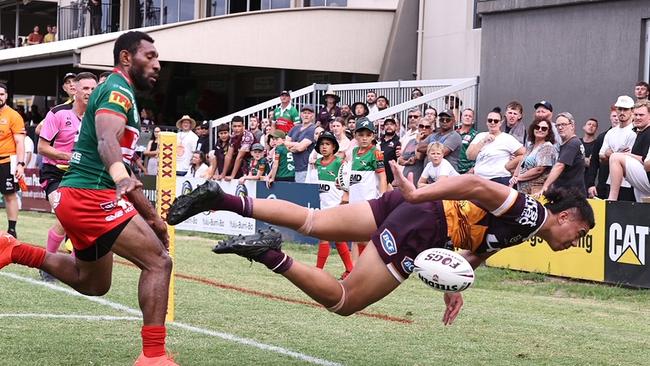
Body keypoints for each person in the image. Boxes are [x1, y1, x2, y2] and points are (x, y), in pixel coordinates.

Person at [165, 161, 594, 324]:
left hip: (413, 214)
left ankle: (218, 198)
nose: (576, 242)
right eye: (580, 233)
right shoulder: (532, 213)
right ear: (566, 216)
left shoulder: (528, 226)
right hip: (423, 221)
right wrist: (418, 194)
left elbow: (476, 251)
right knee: (346, 301)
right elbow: (475, 183)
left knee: (314, 221)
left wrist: (454, 288)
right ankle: (269, 253)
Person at [2, 32, 176, 365]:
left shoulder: (117, 91)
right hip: (90, 196)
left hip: (78, 196)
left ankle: (15, 249)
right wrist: (120, 177)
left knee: (93, 283)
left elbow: (117, 156)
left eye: (157, 58)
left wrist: (152, 217)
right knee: (159, 262)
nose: (157, 64)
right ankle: (153, 356)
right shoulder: (117, 90)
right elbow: (107, 142)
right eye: (150, 56)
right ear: (126, 58)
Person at [37, 72, 98, 281]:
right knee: (65, 214)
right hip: (54, 172)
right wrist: (68, 156)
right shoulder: (58, 113)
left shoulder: (98, 116)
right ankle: (48, 263)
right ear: (75, 90)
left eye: (93, 88)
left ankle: (73, 263)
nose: (89, 92)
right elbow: (42, 147)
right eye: (85, 89)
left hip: (82, 175)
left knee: (82, 221)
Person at [305, 131, 353, 278]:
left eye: (327, 144)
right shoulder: (317, 163)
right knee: (338, 240)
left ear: (334, 147)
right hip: (324, 206)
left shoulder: (339, 163)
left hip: (337, 207)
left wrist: (345, 198)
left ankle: (318, 271)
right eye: (321, 144)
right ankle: (350, 270)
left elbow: (348, 182)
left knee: (324, 236)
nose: (324, 147)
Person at [346, 117, 387, 259]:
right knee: (354, 237)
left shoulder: (376, 152)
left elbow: (382, 177)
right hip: (354, 201)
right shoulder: (354, 151)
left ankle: (363, 270)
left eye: (368, 135)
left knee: (365, 238)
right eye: (361, 135)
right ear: (355, 136)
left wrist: (382, 198)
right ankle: (352, 270)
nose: (364, 138)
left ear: (373, 136)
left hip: (368, 202)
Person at [467, 108, 525, 185]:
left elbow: (524, 154)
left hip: (499, 179)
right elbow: (470, 156)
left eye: (496, 121)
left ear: (500, 123)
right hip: (479, 179)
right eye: (490, 120)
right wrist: (483, 141)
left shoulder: (507, 138)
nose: (493, 123)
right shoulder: (480, 136)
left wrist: (509, 165)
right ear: (486, 122)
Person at [606, 101, 650, 201]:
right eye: (636, 114)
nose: (638, 117)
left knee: (615, 157)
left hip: (647, 176)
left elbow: (645, 161)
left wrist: (626, 155)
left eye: (641, 115)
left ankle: (612, 199)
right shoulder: (640, 132)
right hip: (643, 182)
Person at [598, 95, 637, 201]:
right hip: (611, 182)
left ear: (632, 111)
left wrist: (611, 154)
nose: (622, 112)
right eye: (620, 109)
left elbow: (631, 159)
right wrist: (616, 155)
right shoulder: (611, 132)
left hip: (630, 184)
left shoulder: (635, 131)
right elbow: (601, 156)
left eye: (625, 109)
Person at [0, 83, 26, 238]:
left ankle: (11, 230)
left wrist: (20, 165)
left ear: (6, 96)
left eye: (1, 94)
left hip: (7, 161)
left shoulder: (13, 115)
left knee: (9, 195)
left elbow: (19, 142)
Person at [541, 112, 587, 196]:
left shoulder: (572, 144)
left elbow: (559, 166)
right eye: (557, 125)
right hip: (571, 193)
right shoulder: (570, 143)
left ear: (572, 125)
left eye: (563, 124)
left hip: (571, 195)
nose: (560, 128)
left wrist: (545, 187)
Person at [510, 119, 557, 195]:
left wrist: (519, 178)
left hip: (536, 192)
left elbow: (539, 170)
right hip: (522, 191)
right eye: (537, 127)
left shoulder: (547, 147)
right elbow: (520, 164)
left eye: (544, 128)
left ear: (548, 132)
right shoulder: (530, 147)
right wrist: (513, 179)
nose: (540, 130)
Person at [586, 107, 619, 199]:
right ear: (610, 117)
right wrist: (591, 184)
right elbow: (594, 163)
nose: (616, 118)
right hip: (603, 184)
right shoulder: (602, 137)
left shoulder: (631, 134)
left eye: (618, 115)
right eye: (614, 116)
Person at [285, 105, 317, 183]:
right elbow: (285, 143)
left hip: (304, 168)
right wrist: (297, 144)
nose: (306, 115)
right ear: (301, 115)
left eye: (309, 113)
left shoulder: (313, 129)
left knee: (302, 193)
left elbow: (300, 148)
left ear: (312, 116)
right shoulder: (295, 127)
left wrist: (292, 145)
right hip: (291, 168)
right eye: (304, 113)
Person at [217, 116, 254, 181]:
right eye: (235, 126)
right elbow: (228, 156)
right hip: (242, 161)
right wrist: (223, 174)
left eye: (239, 126)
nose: (237, 128)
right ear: (231, 126)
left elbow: (240, 157)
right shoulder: (233, 136)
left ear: (243, 126)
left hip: (252, 160)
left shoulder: (248, 136)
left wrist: (232, 176)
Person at [456, 108, 478, 174]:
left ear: (473, 120)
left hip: (467, 170)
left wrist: (473, 168)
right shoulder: (454, 133)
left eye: (470, 116)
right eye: (465, 115)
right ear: (461, 118)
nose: (467, 117)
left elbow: (477, 154)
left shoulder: (476, 135)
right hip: (453, 169)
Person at [379, 117, 400, 184]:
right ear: (384, 127)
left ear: (396, 127)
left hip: (391, 177)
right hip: (379, 174)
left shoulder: (398, 141)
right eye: (387, 124)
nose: (389, 126)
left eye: (391, 124)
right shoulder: (379, 141)